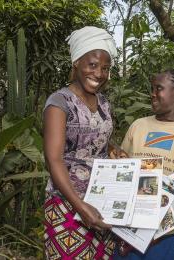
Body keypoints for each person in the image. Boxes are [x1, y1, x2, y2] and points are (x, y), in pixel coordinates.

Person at [43, 26, 126, 259]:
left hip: (101, 202)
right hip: (68, 204)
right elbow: (54, 159)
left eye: (105, 68)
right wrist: (81, 207)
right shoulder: (59, 102)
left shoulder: (104, 103)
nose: (99, 73)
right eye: (93, 65)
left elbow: (98, 141)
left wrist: (114, 150)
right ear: (77, 62)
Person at [114, 69, 174, 260]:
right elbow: (123, 165)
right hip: (130, 228)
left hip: (168, 234)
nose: (152, 93)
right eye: (152, 88)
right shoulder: (139, 125)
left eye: (158, 88)